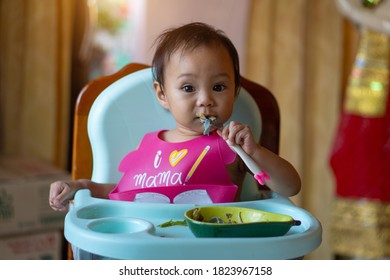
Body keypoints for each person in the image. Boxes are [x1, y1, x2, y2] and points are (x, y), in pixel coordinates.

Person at [49, 22, 301, 211]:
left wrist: (255, 151)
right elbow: (122, 193)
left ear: (234, 92)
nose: (205, 99)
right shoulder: (149, 147)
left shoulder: (234, 148)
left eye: (218, 87)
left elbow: (290, 187)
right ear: (162, 94)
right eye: (189, 88)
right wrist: (80, 186)